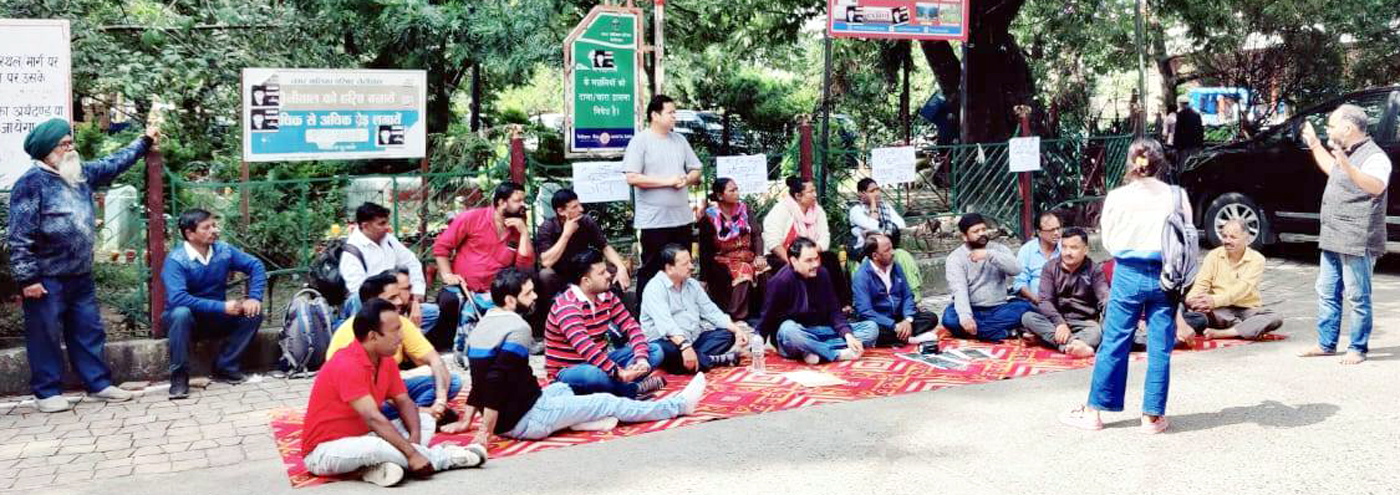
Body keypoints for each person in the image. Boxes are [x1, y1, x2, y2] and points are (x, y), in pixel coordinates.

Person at [440, 268, 705, 443]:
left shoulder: (481, 326)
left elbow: (481, 380)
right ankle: (678, 406)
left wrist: (466, 421)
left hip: (526, 407)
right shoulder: (518, 328)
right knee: (606, 400)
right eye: (528, 293)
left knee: (565, 388)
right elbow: (495, 381)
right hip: (530, 418)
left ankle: (585, 422)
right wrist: (484, 432)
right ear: (510, 301)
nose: (534, 298)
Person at [9, 117, 160, 412]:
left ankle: (98, 384)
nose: (71, 148)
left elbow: (114, 163)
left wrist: (144, 141)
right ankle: (47, 392)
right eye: (64, 144)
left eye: (70, 142)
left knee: (89, 330)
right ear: (46, 151)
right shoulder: (30, 184)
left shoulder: (78, 174)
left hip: (80, 274)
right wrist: (28, 279)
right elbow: (19, 237)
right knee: (45, 335)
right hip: (46, 278)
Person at [1061, 138, 1188, 434]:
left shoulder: (1118, 197)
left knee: (1115, 341)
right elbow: (1186, 236)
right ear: (1161, 163)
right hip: (1165, 273)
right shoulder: (1176, 195)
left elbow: (1109, 241)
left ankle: (1094, 411)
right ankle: (1152, 416)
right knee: (1160, 346)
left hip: (1128, 272)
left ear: (1132, 163)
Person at [300, 298, 484, 487]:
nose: (401, 336)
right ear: (373, 336)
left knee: (425, 420)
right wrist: (412, 454)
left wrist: (414, 442)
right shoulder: (347, 363)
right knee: (376, 446)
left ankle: (373, 469)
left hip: (365, 436)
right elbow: (373, 418)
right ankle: (446, 458)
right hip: (323, 451)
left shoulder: (385, 358)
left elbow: (405, 402)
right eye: (395, 330)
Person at [1298, 104, 1391, 365]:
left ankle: (1357, 348)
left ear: (1348, 128)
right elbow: (1333, 169)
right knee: (1326, 291)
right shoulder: (1346, 153)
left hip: (1357, 237)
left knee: (1357, 295)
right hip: (1333, 233)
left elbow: (1375, 186)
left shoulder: (1376, 157)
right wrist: (1315, 144)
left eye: (1332, 124)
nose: (1329, 129)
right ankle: (1326, 344)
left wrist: (1347, 166)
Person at [161, 209, 268, 399]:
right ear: (189, 234)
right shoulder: (176, 260)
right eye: (206, 227)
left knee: (254, 313)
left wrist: (254, 297)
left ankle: (226, 366)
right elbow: (178, 298)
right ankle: (179, 378)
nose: (214, 230)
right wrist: (221, 307)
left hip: (216, 317)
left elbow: (256, 265)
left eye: (214, 225)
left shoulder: (223, 251)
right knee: (180, 313)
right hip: (187, 322)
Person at [327, 272, 462, 421]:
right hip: (357, 400)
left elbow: (435, 360)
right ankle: (419, 416)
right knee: (379, 409)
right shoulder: (352, 332)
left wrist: (440, 401)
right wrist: (424, 410)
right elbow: (364, 395)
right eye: (392, 298)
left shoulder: (399, 322)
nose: (400, 301)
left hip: (385, 391)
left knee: (452, 381)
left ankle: (421, 416)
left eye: (399, 295)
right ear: (373, 303)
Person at [545, 249, 666, 398]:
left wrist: (641, 359)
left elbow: (632, 327)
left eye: (606, 271)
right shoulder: (568, 305)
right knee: (593, 375)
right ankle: (631, 390)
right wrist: (618, 371)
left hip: (602, 363)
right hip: (569, 370)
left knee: (654, 350)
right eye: (601, 273)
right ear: (586, 281)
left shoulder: (607, 296)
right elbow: (586, 347)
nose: (609, 275)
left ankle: (622, 384)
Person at [433, 181, 535, 346]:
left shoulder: (517, 227)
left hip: (495, 287)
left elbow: (524, 266)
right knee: (449, 300)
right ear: (501, 202)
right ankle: (451, 343)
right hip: (464, 285)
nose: (523, 205)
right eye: (517, 201)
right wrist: (447, 274)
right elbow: (441, 247)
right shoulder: (471, 217)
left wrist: (524, 233)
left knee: (521, 292)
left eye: (523, 200)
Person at [623, 94, 702, 293]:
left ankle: (681, 312)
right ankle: (644, 316)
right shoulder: (640, 141)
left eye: (675, 112)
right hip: (654, 221)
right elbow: (632, 177)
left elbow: (696, 169)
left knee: (683, 268)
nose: (674, 116)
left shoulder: (680, 140)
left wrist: (687, 179)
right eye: (670, 112)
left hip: (681, 218)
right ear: (655, 115)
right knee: (652, 268)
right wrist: (667, 182)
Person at [758, 237, 879, 364]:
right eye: (809, 261)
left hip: (822, 331)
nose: (815, 264)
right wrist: (758, 340)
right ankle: (835, 354)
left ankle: (814, 350)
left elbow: (834, 311)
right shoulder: (780, 281)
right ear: (794, 261)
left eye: (816, 258)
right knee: (788, 330)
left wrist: (848, 335)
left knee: (871, 328)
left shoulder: (823, 274)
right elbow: (766, 317)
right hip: (795, 334)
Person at [534, 188, 631, 338]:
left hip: (583, 271)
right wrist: (566, 234)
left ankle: (613, 325)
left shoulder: (586, 221)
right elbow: (546, 261)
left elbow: (604, 246)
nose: (581, 209)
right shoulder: (548, 227)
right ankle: (552, 327)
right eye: (574, 207)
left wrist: (621, 267)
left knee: (613, 272)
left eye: (579, 205)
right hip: (560, 273)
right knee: (545, 275)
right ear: (561, 211)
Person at [640, 244, 751, 374]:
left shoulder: (692, 284)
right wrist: (684, 346)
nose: (691, 267)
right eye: (685, 264)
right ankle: (713, 360)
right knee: (663, 351)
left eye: (690, 262)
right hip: (669, 342)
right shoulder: (654, 288)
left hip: (694, 340)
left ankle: (695, 360)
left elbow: (711, 312)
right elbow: (666, 326)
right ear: (669, 268)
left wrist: (736, 330)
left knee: (727, 334)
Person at [340, 202, 438, 345]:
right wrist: (391, 304)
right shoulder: (352, 251)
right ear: (365, 226)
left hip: (396, 300)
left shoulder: (389, 241)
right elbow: (359, 292)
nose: (387, 228)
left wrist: (415, 298)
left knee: (432, 312)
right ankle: (373, 345)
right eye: (381, 223)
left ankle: (399, 345)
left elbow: (412, 263)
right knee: (357, 300)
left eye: (387, 222)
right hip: (370, 307)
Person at [941, 213, 1036, 343]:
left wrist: (989, 255)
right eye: (976, 231)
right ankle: (1003, 332)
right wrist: (965, 317)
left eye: (984, 229)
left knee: (1026, 307)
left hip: (999, 308)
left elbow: (1016, 269)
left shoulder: (998, 249)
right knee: (949, 319)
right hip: (972, 308)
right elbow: (959, 290)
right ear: (964, 236)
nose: (982, 234)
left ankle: (984, 332)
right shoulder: (955, 258)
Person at [1182, 220, 1283, 341]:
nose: (1227, 241)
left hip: (1246, 309)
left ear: (1246, 238)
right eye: (1224, 236)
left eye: (1233, 237)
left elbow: (1241, 291)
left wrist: (1214, 300)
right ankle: (1241, 328)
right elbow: (1201, 284)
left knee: (1274, 317)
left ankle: (1223, 333)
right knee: (1196, 315)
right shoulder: (1213, 256)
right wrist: (1193, 300)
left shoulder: (1257, 259)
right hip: (1218, 310)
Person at [763, 176, 852, 307]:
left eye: (814, 190)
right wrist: (794, 262)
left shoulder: (817, 211)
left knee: (830, 259)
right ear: (798, 195)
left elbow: (824, 238)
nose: (815, 195)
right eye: (811, 192)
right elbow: (773, 243)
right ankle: (805, 307)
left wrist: (810, 256)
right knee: (798, 269)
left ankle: (842, 305)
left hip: (810, 252)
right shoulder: (781, 210)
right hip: (782, 255)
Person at [1019, 227, 1106, 358]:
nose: (1067, 252)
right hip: (1055, 321)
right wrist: (1060, 323)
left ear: (1085, 250)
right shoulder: (1050, 267)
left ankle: (1059, 343)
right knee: (1028, 318)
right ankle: (1075, 344)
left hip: (1083, 323)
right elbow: (1045, 301)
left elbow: (1105, 298)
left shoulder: (1094, 270)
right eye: (1064, 247)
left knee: (1096, 331)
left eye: (1074, 248)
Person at [697, 178, 768, 321]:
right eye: (732, 190)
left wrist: (759, 256)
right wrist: (703, 278)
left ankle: (768, 312)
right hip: (725, 257)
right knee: (744, 270)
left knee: (764, 269)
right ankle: (736, 316)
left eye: (737, 189)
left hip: (748, 255)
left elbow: (756, 235)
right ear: (720, 196)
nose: (737, 193)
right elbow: (704, 250)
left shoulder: (745, 210)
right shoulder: (709, 218)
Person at [851, 233, 938, 347]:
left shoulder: (896, 266)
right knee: (873, 331)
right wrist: (894, 326)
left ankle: (900, 336)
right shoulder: (862, 276)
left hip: (899, 316)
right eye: (887, 250)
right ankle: (908, 338)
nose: (893, 253)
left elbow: (907, 295)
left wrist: (908, 319)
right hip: (880, 322)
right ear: (875, 255)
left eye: (892, 248)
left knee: (931, 317)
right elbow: (866, 311)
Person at [848, 178, 921, 296]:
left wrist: (879, 230)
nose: (877, 193)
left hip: (886, 248)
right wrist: (872, 204)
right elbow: (872, 225)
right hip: (866, 252)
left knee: (903, 256)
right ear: (862, 194)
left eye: (878, 189)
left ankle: (915, 299)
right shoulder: (856, 211)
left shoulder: (885, 207)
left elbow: (901, 224)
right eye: (872, 191)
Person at [1013, 212, 1062, 305]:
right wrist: (1035, 299)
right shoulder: (1027, 250)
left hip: (1064, 303)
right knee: (1025, 316)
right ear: (1039, 232)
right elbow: (1019, 282)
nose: (1056, 233)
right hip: (1035, 303)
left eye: (1058, 228)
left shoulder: (1066, 248)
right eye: (1051, 230)